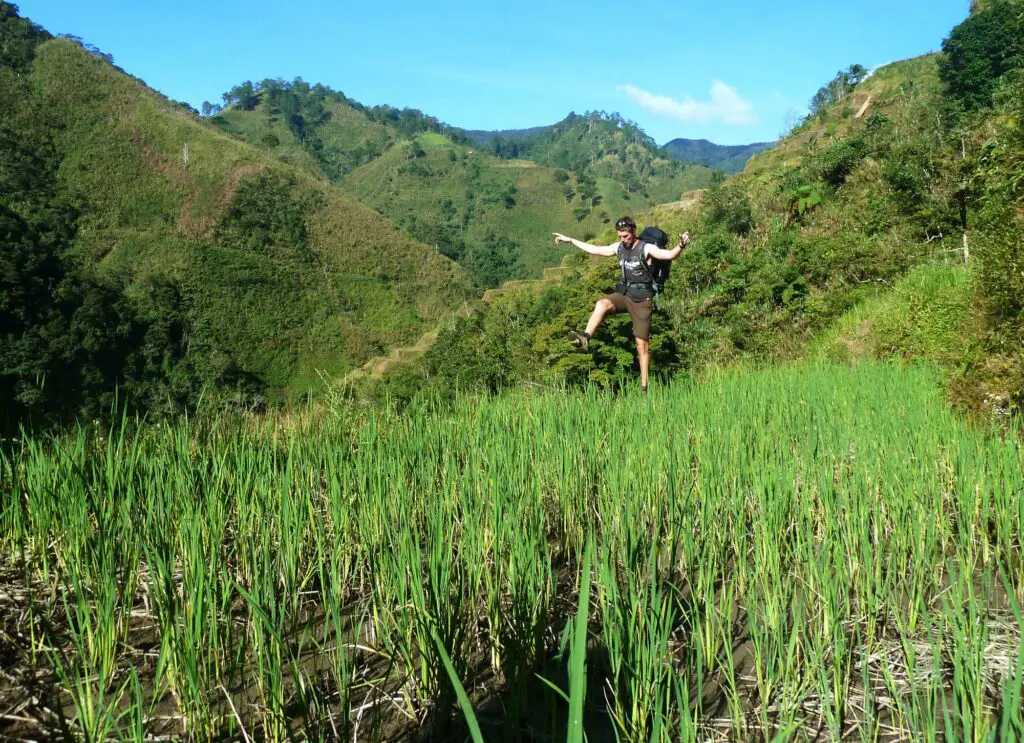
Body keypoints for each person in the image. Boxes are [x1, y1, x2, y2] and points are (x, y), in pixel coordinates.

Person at [553, 216, 691, 393]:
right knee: (602, 304)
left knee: (642, 346)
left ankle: (644, 387)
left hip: (642, 300)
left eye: (625, 236)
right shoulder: (619, 248)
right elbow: (595, 249)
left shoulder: (646, 248)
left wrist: (681, 245)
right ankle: (585, 338)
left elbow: (669, 255)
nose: (622, 239)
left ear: (633, 232)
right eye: (620, 236)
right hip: (625, 295)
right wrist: (570, 240)